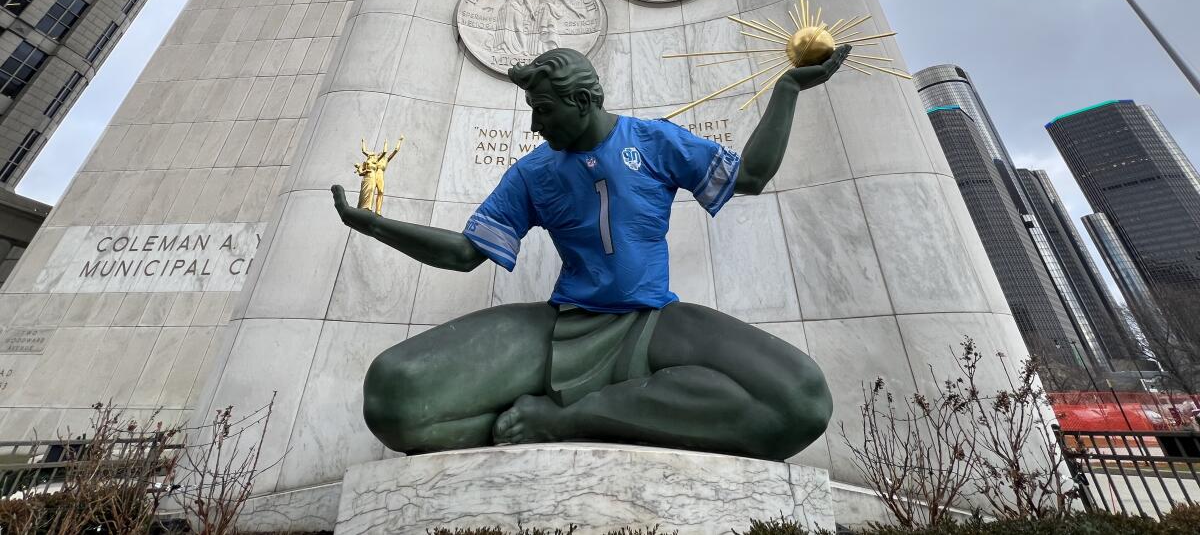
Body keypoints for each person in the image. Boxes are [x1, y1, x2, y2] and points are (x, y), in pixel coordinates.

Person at [331, 45, 849, 460]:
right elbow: (467, 254)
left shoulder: (652, 141)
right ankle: (600, 414)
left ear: (582, 102)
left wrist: (787, 90)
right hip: (562, 326)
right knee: (394, 397)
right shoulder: (534, 171)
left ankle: (563, 419)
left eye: (543, 110)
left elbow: (751, 176)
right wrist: (376, 226)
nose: (535, 126)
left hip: (653, 324)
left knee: (800, 401)